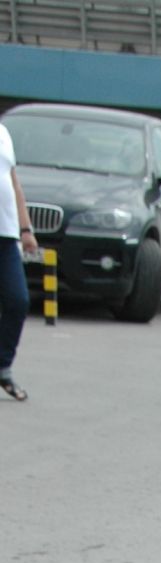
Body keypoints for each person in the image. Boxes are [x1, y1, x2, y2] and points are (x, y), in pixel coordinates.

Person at [0, 122, 40, 402]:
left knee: (18, 300)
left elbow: (14, 183)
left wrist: (25, 230)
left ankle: (2, 365)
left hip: (7, 235)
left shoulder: (3, 133)